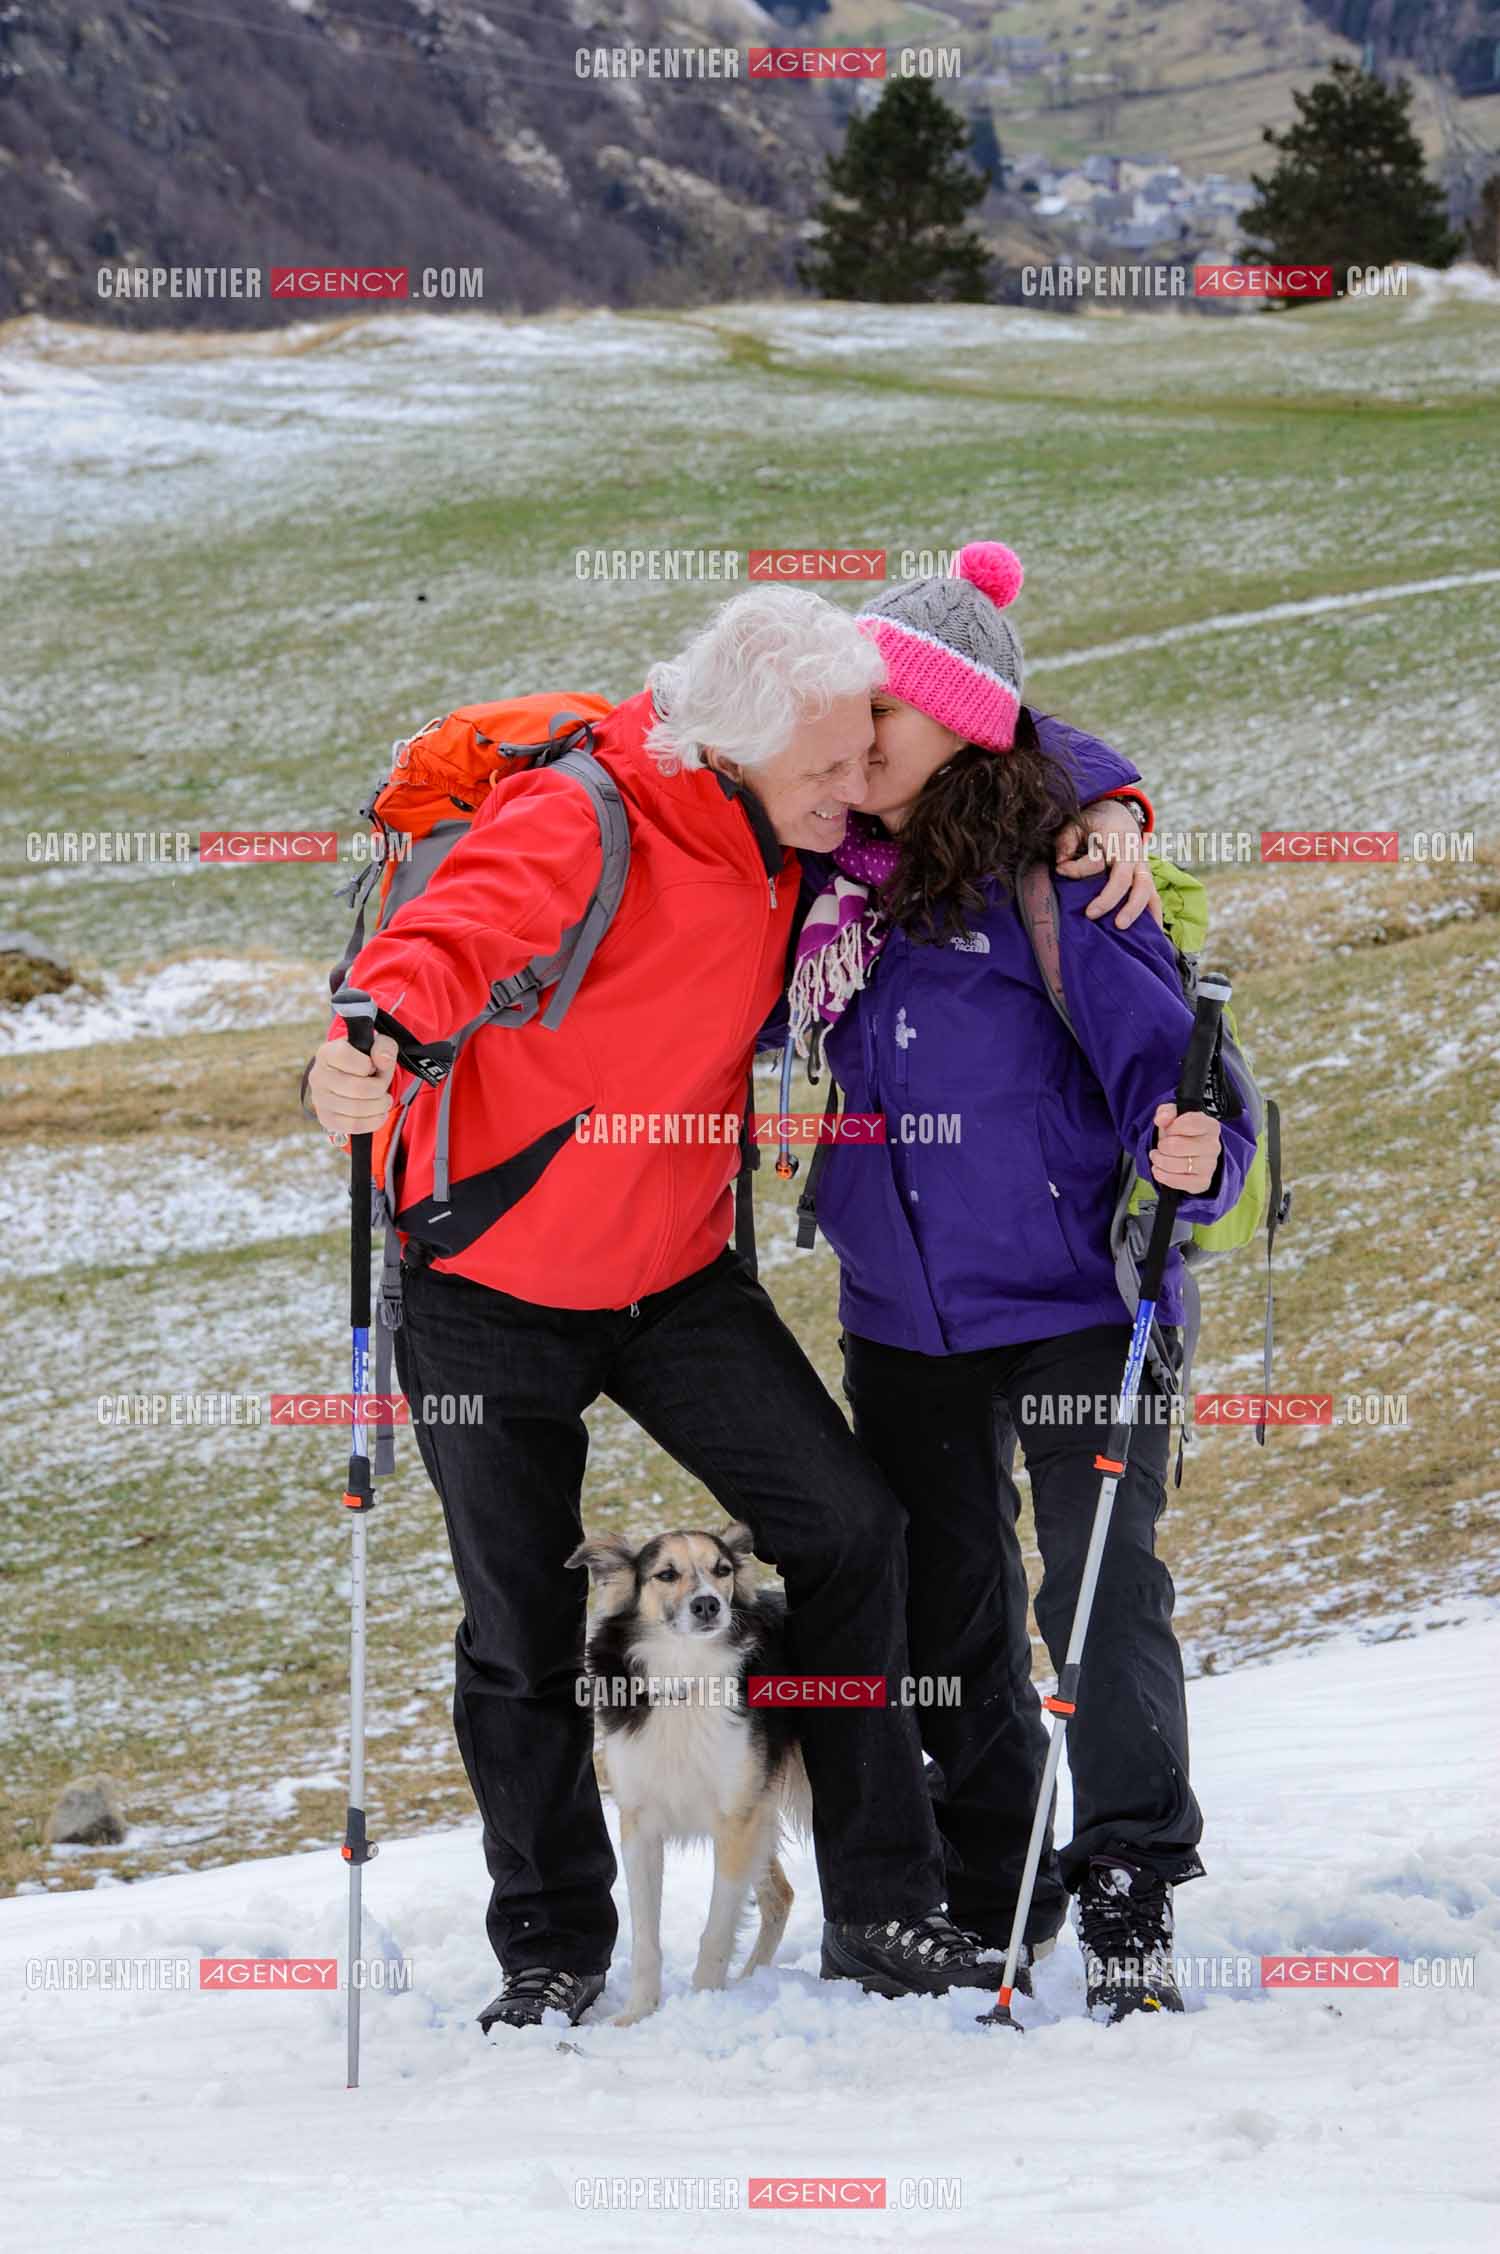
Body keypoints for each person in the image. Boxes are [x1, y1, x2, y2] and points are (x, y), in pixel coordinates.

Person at [306, 584, 1154, 2029]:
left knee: (848, 1527)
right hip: (486, 1281)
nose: (856, 786)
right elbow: (450, 934)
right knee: (521, 1620)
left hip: (675, 1275)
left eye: (859, 752)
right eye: (829, 764)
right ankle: (554, 1938)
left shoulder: (802, 832)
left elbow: (974, 721)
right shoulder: (592, 817)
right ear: (740, 745)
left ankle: (886, 1905)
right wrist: (367, 1036)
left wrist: (1108, 792)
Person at [788, 543, 1257, 2022]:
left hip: (1080, 1304)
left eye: (892, 718)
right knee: (956, 1608)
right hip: (901, 1314)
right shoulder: (826, 874)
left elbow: (1195, 1096)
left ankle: (1128, 1883)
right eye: (854, 712)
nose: (861, 742)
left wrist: (1200, 1158)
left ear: (968, 726)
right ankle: (1001, 1879)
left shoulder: (1065, 881)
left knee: (1104, 1594)